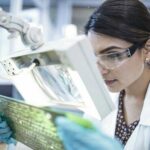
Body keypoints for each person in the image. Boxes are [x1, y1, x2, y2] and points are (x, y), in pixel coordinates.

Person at [56, 0, 150, 150]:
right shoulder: (99, 99)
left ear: (147, 49)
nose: (100, 71)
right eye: (94, 57)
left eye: (113, 55)